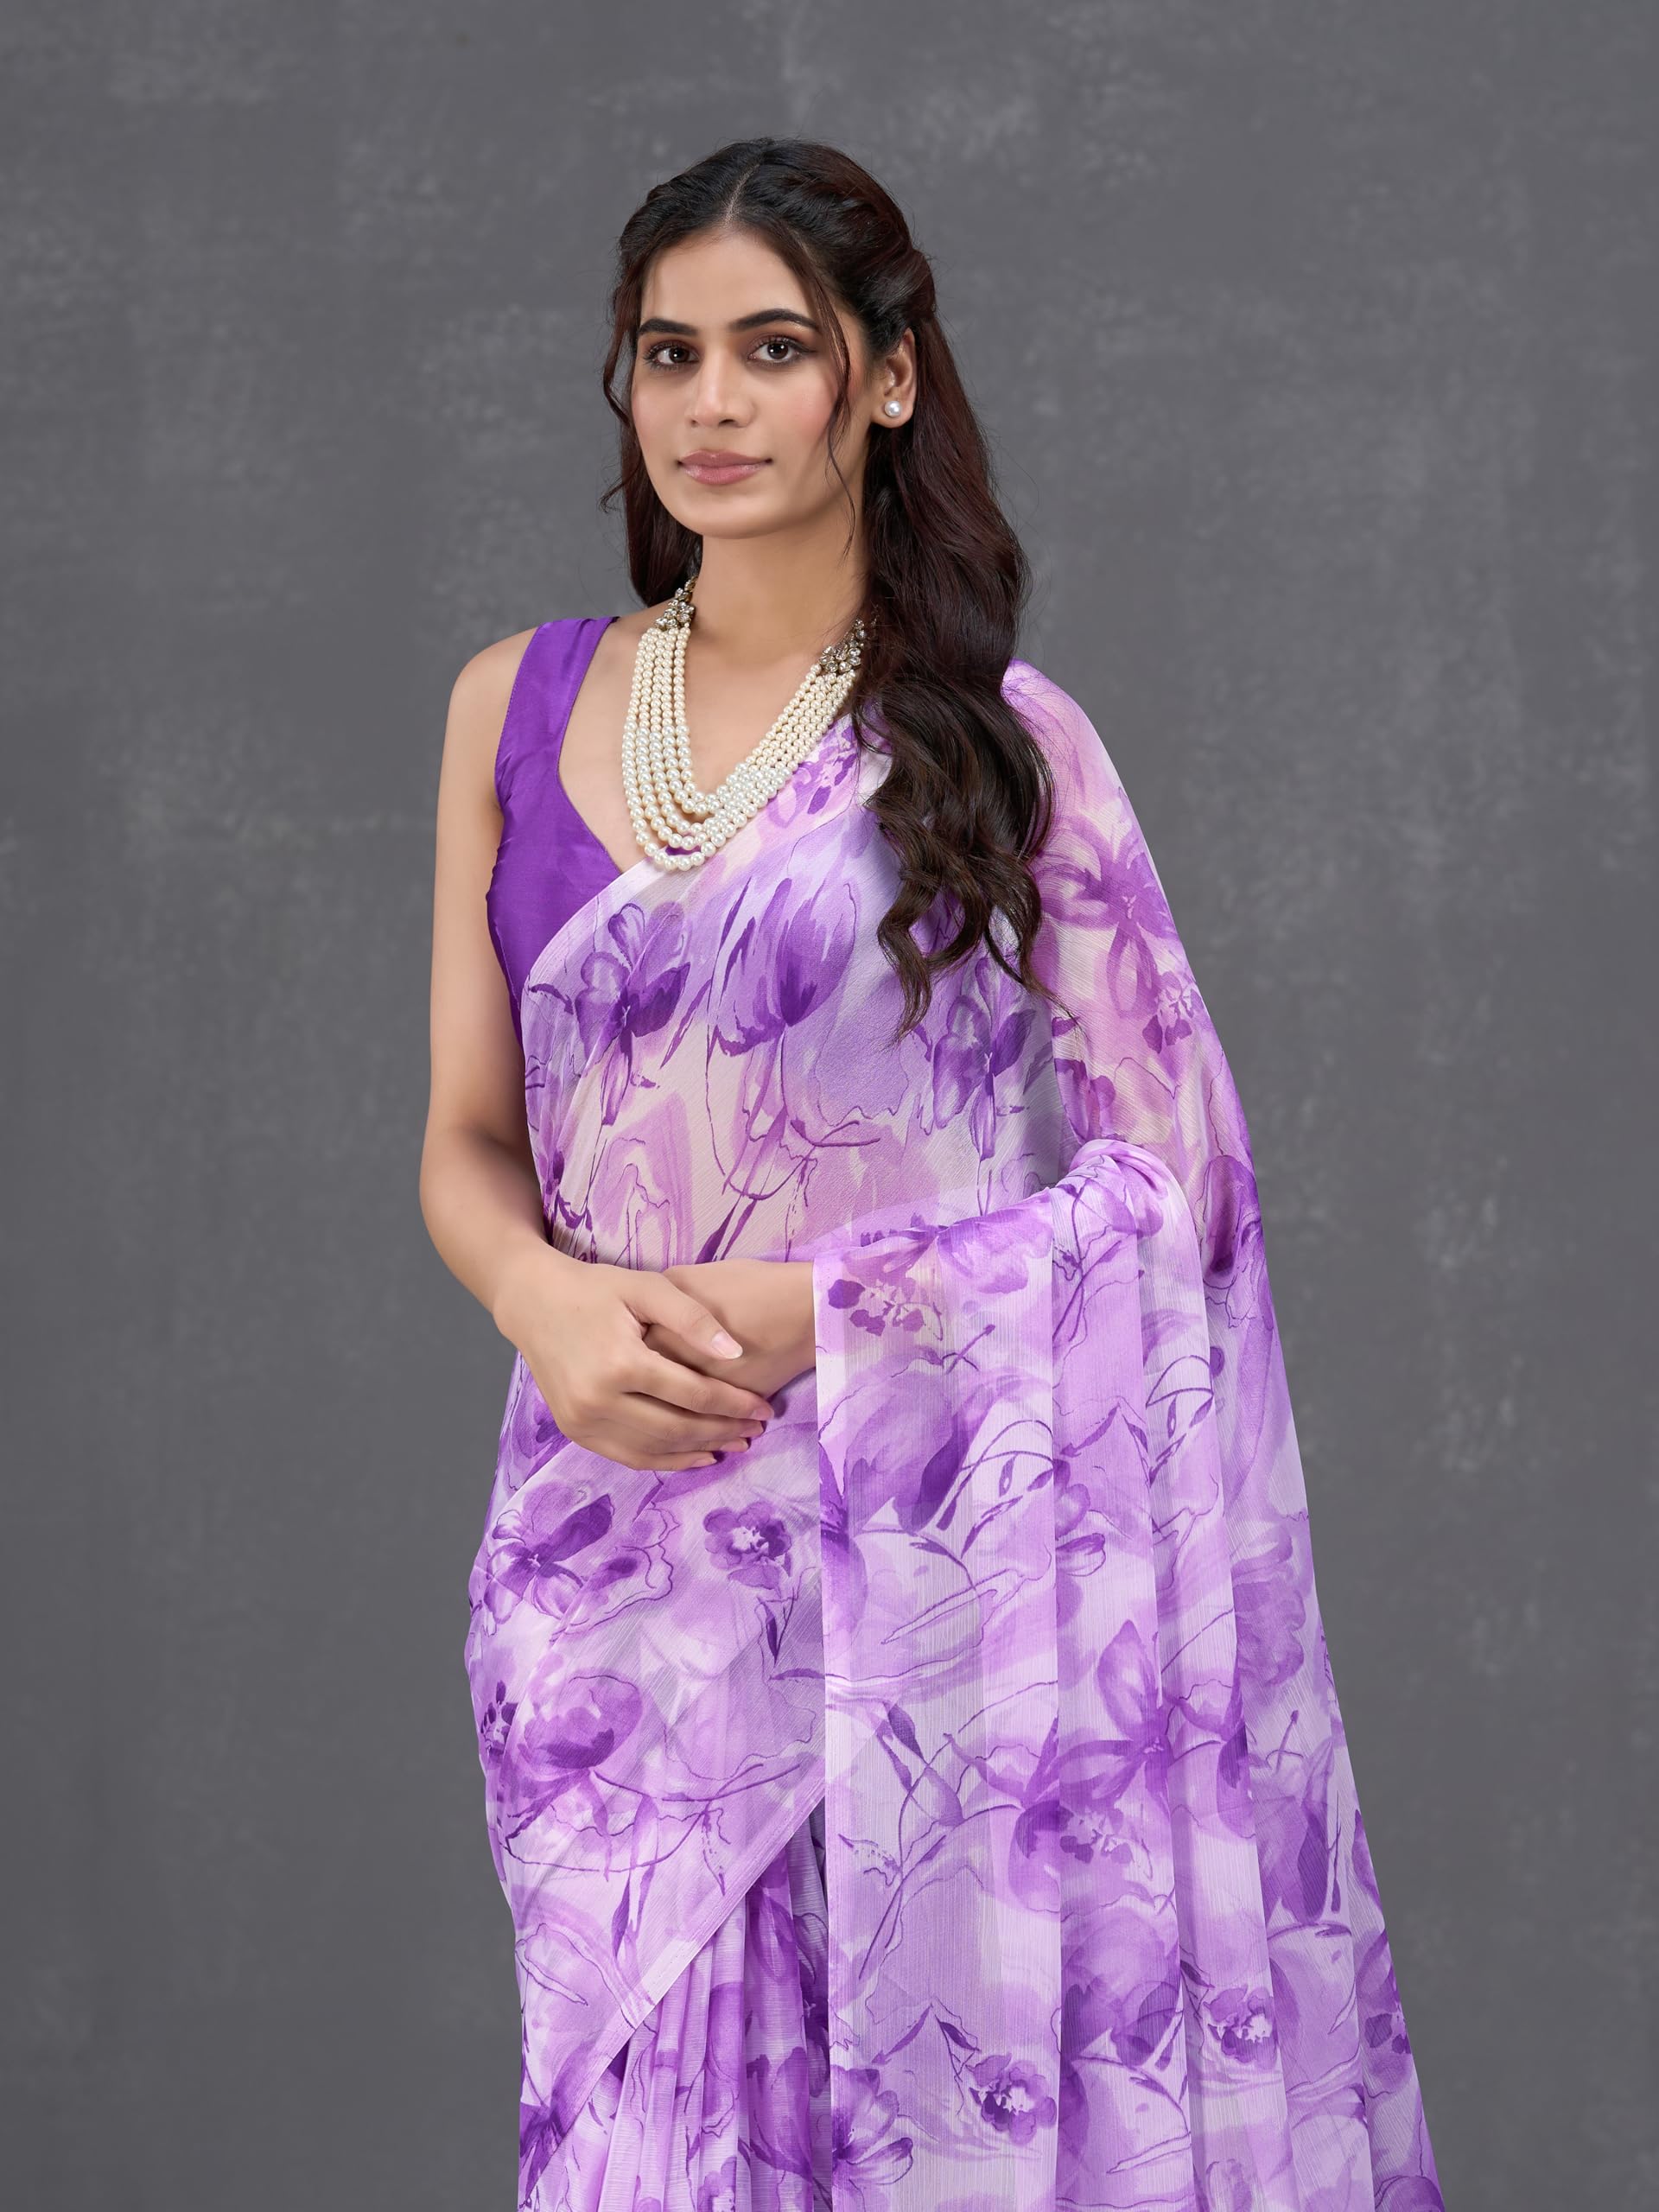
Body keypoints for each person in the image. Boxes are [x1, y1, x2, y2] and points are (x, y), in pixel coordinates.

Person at [419, 137, 1441, 2212]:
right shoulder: (513, 706)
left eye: (772, 349)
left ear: (884, 378)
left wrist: (833, 1313)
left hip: (934, 1597)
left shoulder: (997, 738)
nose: (711, 403)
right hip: (613, 1582)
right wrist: (538, 1297)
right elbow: (467, 1137)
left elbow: (1183, 1191)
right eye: (668, 355)